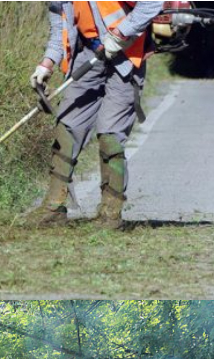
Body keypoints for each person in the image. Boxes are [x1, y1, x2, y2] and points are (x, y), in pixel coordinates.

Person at [27, 1, 164, 229]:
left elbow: (152, 3)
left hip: (126, 56)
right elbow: (58, 30)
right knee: (67, 124)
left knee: (110, 132)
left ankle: (110, 214)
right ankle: (53, 208)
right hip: (88, 54)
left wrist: (120, 34)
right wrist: (46, 64)